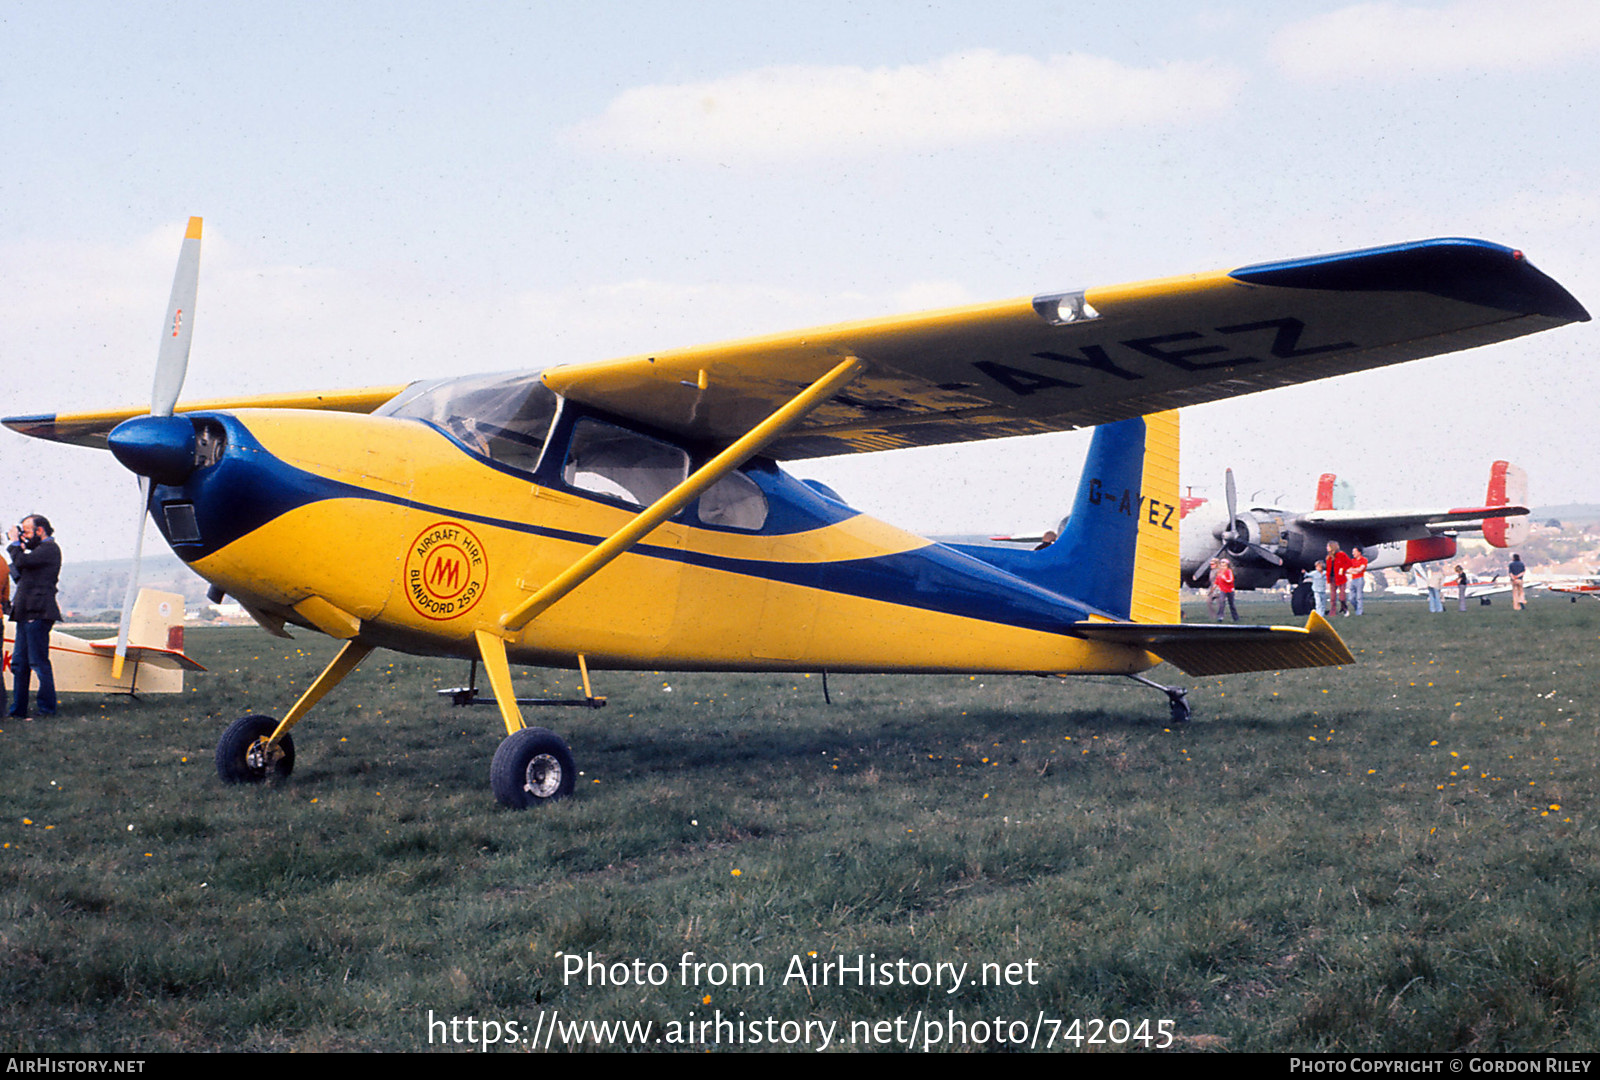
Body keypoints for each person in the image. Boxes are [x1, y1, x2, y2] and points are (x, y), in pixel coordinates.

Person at [7, 515, 61, 718]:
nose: (25, 535)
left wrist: (14, 543)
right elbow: (20, 570)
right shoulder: (38, 552)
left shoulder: (49, 549)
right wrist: (19, 547)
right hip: (26, 613)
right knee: (20, 664)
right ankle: (18, 710)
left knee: (38, 662)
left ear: (40, 531)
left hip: (37, 612)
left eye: (28, 531)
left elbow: (22, 561)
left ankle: (47, 710)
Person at [1326, 542, 1350, 616]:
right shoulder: (1328, 557)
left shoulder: (1341, 555)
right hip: (1332, 578)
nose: (1327, 548)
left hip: (1340, 578)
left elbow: (1349, 563)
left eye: (1328, 546)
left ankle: (1344, 607)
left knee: (1342, 597)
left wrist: (1343, 569)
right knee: (1332, 597)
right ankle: (1332, 612)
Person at [1215, 557, 1239, 622]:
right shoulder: (1219, 572)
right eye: (1221, 565)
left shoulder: (1229, 571)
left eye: (1224, 566)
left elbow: (1231, 580)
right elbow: (1217, 581)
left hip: (1230, 590)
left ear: (1227, 566)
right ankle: (1220, 617)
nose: (1223, 567)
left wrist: (1224, 578)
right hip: (1223, 590)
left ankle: (1236, 618)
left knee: (1231, 604)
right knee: (1221, 603)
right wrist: (1213, 589)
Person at [1347, 546, 1368, 616]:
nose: (1353, 553)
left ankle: (1359, 612)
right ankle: (1357, 608)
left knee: (1359, 597)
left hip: (1360, 579)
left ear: (1359, 552)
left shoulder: (1364, 560)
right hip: (1353, 579)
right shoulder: (1352, 561)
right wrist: (1355, 570)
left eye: (1354, 552)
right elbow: (1348, 570)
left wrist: (1353, 570)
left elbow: (1360, 569)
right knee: (1351, 598)